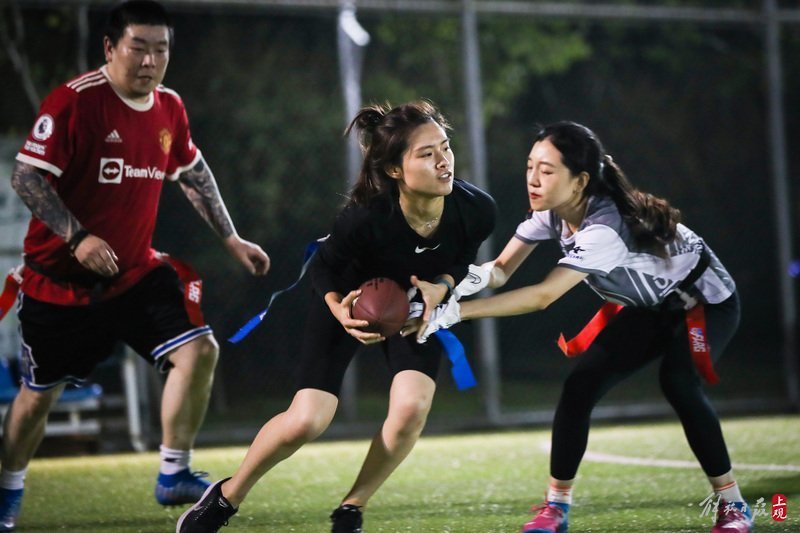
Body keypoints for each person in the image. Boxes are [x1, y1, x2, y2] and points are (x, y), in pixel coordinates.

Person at [2, 1, 270, 531]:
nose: (150, 61)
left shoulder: (169, 106)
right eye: (138, 48)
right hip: (60, 283)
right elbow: (26, 177)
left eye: (161, 50)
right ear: (110, 48)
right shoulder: (75, 102)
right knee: (37, 397)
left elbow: (192, 171)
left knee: (199, 350)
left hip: (132, 276)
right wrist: (78, 237)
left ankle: (173, 472)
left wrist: (231, 238)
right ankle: (8, 490)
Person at [176, 100, 496, 533]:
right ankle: (226, 496)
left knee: (412, 408)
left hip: (414, 304)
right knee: (307, 420)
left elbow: (461, 256)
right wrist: (339, 310)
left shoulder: (477, 208)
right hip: (350, 299)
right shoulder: (366, 217)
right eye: (427, 153)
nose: (444, 161)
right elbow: (323, 268)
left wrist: (441, 285)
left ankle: (351, 508)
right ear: (395, 170)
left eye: (445, 147)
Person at [422, 121, 752, 533]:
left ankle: (735, 507)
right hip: (650, 306)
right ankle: (556, 509)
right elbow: (501, 270)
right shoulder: (552, 212)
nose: (533, 179)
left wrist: (455, 313)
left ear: (579, 181)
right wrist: (453, 286)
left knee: (679, 382)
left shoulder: (604, 230)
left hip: (703, 304)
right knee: (580, 387)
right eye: (530, 166)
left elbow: (543, 296)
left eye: (546, 170)